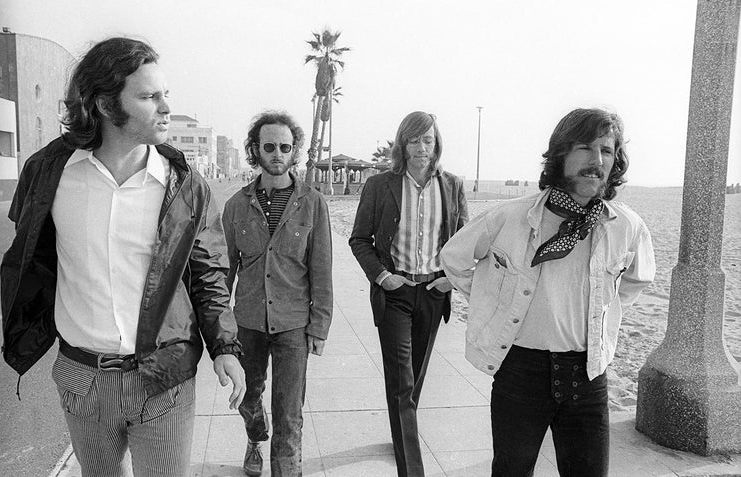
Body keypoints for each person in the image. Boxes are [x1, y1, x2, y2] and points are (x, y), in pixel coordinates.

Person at [0, 37, 244, 477]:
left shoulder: (186, 185)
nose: (166, 107)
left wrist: (225, 347)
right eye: (150, 97)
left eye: (165, 94)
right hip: (82, 377)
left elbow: (208, 273)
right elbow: (29, 259)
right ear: (106, 105)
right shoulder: (47, 173)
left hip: (163, 379)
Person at [440, 108, 656, 476]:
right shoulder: (510, 218)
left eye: (606, 150)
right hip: (522, 373)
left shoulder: (626, 225)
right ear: (561, 154)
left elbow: (638, 279)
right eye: (585, 148)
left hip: (588, 377)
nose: (597, 160)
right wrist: (496, 296)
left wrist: (600, 312)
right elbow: (454, 259)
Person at [349, 111, 468, 477]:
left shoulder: (452, 186)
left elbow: (465, 243)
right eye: (414, 140)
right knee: (401, 382)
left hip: (433, 292)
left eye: (428, 140)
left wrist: (449, 279)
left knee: (413, 381)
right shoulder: (379, 185)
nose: (421, 148)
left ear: (437, 145)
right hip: (396, 293)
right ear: (403, 144)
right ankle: (412, 469)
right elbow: (359, 240)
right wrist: (383, 277)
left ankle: (401, 433)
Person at [223, 111, 333, 477]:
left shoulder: (313, 203)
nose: (277, 153)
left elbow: (321, 269)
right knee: (249, 397)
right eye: (269, 146)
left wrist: (319, 326)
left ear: (294, 151)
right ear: (255, 149)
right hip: (248, 323)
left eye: (285, 147)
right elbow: (223, 273)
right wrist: (219, 330)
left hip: (293, 325)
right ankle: (255, 439)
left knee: (289, 412)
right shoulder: (237, 205)